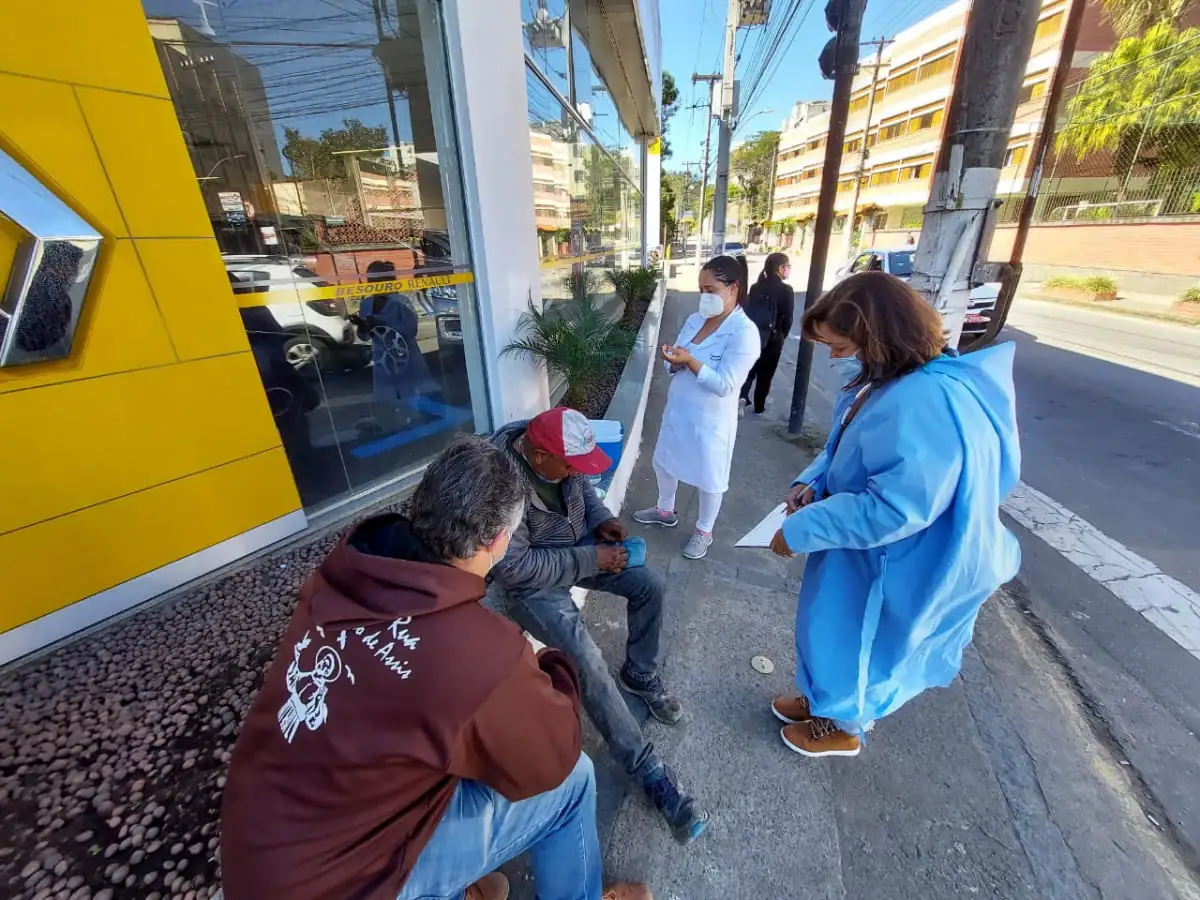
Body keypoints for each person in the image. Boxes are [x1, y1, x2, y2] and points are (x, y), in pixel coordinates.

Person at [220, 436, 651, 900]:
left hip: (253, 856)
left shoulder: (346, 569)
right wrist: (553, 665)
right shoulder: (478, 654)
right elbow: (551, 757)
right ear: (500, 540)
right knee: (573, 781)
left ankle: (457, 887)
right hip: (352, 884)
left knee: (452, 739)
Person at [767, 272, 1021, 758]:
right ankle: (822, 698)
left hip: (892, 556)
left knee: (864, 639)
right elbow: (846, 444)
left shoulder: (923, 400)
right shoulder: (888, 380)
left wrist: (801, 528)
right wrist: (811, 481)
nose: (833, 356)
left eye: (840, 345)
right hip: (859, 546)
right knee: (829, 625)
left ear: (875, 336)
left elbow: (895, 507)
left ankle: (844, 725)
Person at [489, 407, 709, 844]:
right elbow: (513, 568)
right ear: (538, 454)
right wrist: (592, 558)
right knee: (586, 658)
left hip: (575, 547)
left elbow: (581, 490)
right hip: (534, 584)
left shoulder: (559, 460)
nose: (575, 472)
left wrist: (601, 520)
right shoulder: (500, 486)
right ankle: (645, 767)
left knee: (649, 584)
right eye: (570, 465)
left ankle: (639, 672)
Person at [634, 254, 761, 560]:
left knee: (710, 476)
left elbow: (726, 385)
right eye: (700, 290)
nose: (704, 297)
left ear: (734, 288)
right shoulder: (694, 320)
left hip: (711, 420)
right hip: (679, 410)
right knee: (663, 461)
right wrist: (674, 360)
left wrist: (689, 360)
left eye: (711, 290)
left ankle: (705, 530)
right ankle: (665, 508)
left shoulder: (745, 333)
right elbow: (674, 362)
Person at [740, 252, 795, 417]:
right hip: (774, 338)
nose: (789, 270)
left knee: (750, 369)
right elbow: (788, 318)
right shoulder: (786, 290)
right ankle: (759, 406)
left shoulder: (756, 287)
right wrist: (782, 335)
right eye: (788, 267)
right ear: (780, 268)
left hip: (754, 334)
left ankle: (742, 396)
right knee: (766, 375)